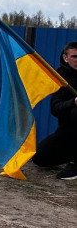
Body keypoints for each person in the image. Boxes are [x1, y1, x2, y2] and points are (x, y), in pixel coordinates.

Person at [33, 41, 77, 180]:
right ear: (66, 58)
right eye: (75, 56)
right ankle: (69, 154)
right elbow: (55, 108)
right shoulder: (59, 78)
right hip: (67, 132)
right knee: (40, 157)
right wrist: (73, 102)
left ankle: (74, 163)